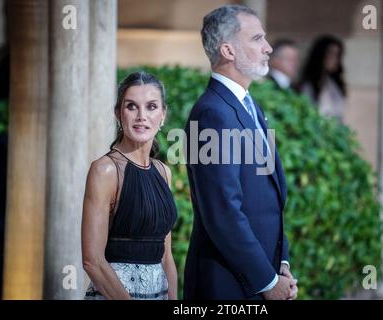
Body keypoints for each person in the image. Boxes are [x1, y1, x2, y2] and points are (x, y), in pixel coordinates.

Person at [183, 5, 297, 300]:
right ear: (228, 50)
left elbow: (271, 197)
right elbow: (223, 212)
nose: (268, 48)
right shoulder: (211, 114)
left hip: (259, 277)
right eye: (257, 39)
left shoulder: (250, 106)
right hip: (226, 284)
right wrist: (267, 282)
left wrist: (280, 264)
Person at [81, 71, 178, 300]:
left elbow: (166, 256)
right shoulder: (105, 170)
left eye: (152, 107)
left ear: (163, 115)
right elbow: (92, 260)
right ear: (118, 113)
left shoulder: (164, 172)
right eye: (132, 106)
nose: (141, 116)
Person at [295, 35, 347, 122]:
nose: (334, 60)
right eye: (331, 54)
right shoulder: (308, 85)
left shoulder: (333, 84)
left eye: (337, 55)